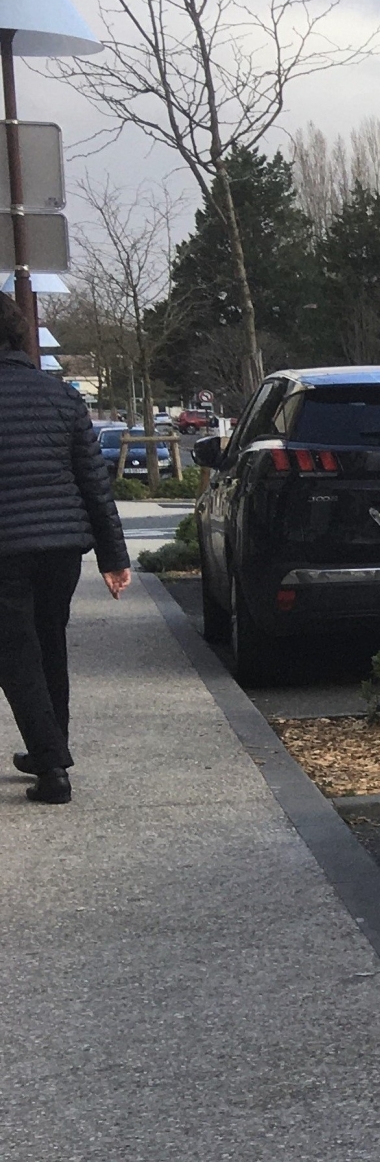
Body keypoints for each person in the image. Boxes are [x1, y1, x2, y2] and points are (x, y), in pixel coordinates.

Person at [0, 293, 131, 803]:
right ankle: (48, 747)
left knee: (16, 653)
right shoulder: (61, 397)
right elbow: (93, 482)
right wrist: (114, 557)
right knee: (48, 643)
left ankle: (53, 768)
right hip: (60, 547)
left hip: (5, 548)